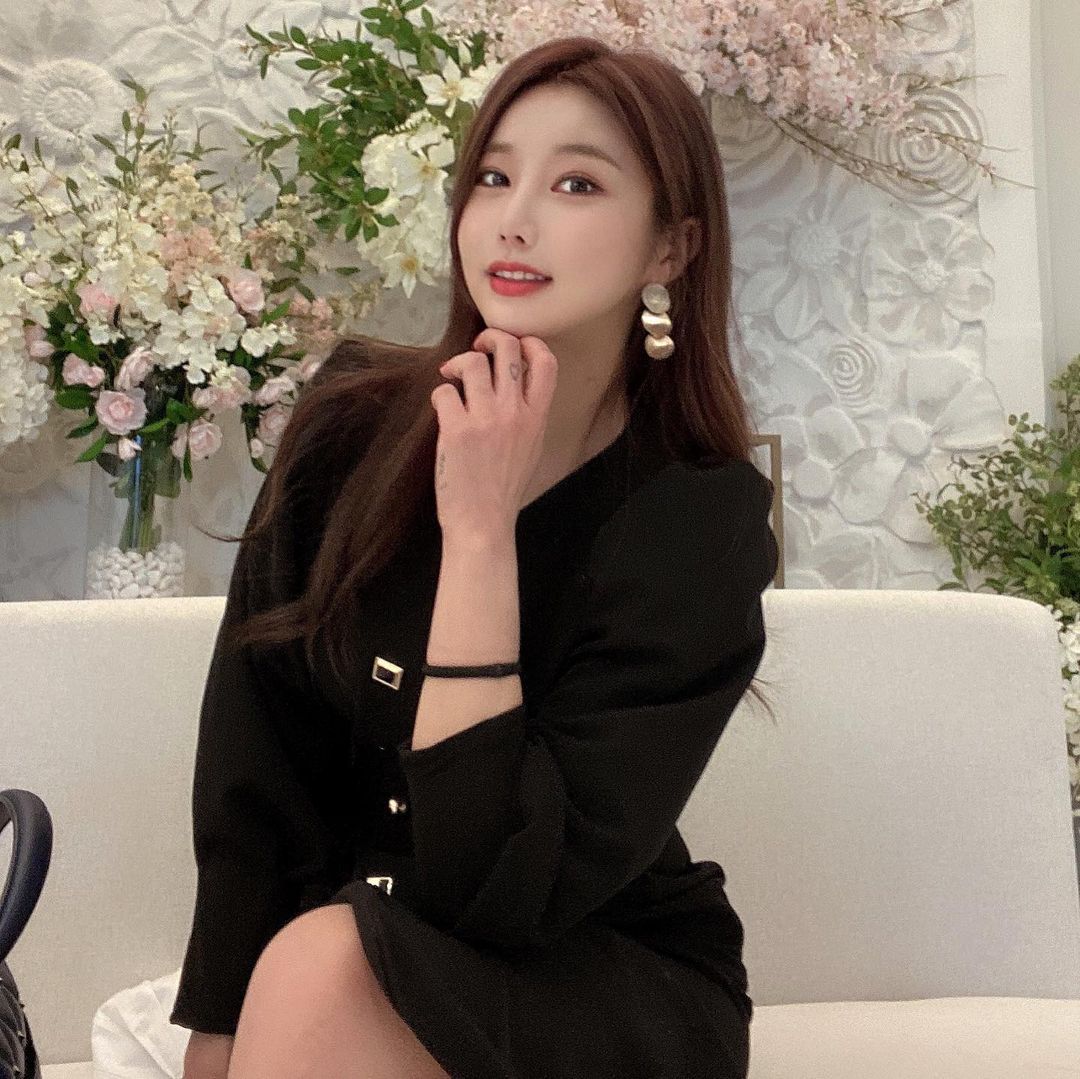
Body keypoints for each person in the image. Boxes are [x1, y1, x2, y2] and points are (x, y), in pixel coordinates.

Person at [173, 34, 778, 1079]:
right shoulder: (347, 422)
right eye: (493, 176)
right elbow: (257, 765)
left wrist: (482, 533)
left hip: (594, 971)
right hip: (342, 958)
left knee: (321, 964)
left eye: (577, 183)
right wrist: (217, 1031)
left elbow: (498, 887)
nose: (514, 217)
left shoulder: (699, 518)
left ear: (670, 250)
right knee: (314, 963)